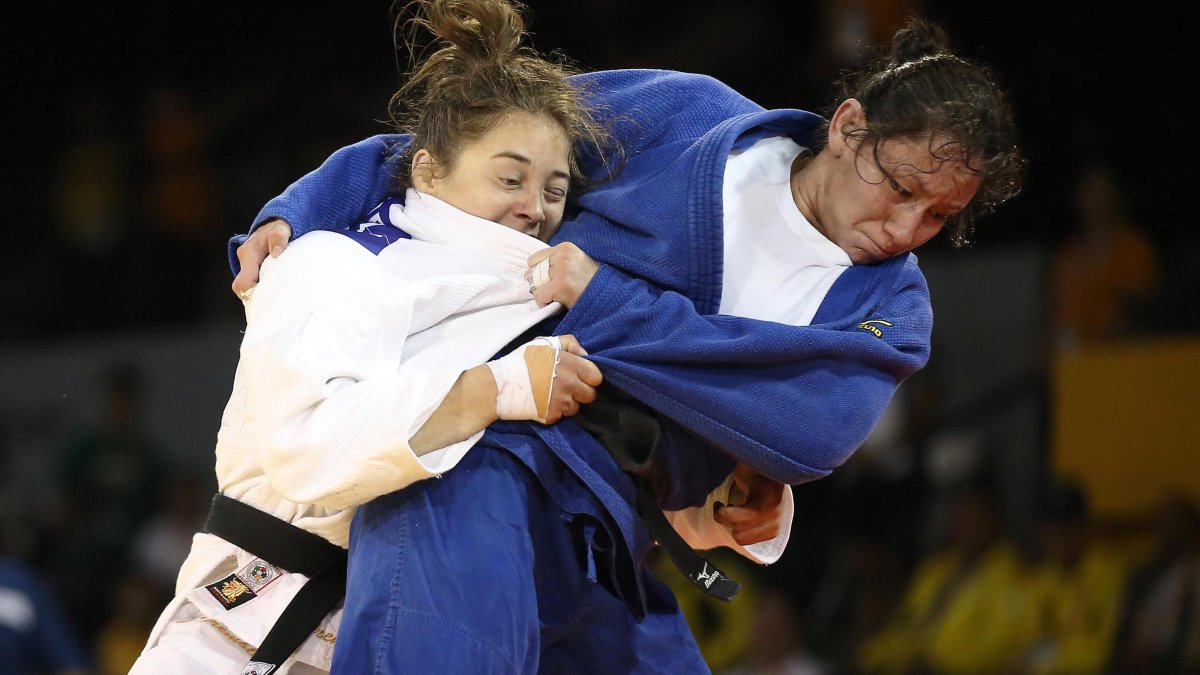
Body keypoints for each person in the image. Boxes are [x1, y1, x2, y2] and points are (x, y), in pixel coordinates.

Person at [231, 3, 1025, 672]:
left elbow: (806, 428)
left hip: (615, 525)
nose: (905, 227)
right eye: (901, 187)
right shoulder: (689, 118)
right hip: (490, 450)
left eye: (939, 217)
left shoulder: (889, 303)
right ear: (848, 128)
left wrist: (608, 301)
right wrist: (303, 204)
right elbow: (479, 143)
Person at [127, 2, 612, 671]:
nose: (536, 205)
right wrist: (492, 388)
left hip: (400, 634)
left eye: (555, 188)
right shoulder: (335, 263)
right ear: (428, 172)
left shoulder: (541, 296)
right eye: (510, 177)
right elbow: (309, 444)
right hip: (239, 631)